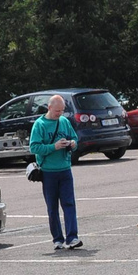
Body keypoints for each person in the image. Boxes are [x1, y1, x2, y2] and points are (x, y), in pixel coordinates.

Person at [29, 94, 82, 250]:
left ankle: (72, 238)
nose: (59, 114)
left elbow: (75, 139)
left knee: (69, 204)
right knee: (52, 207)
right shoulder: (40, 125)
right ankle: (57, 239)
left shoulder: (64, 122)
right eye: (57, 111)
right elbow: (34, 147)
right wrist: (54, 146)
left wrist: (72, 143)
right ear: (49, 107)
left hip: (65, 170)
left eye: (62, 110)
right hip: (48, 171)